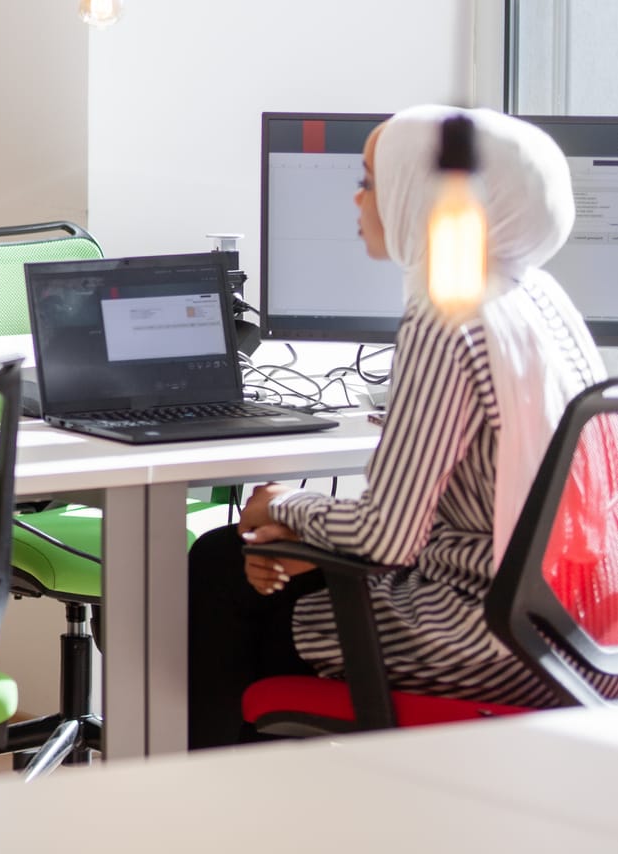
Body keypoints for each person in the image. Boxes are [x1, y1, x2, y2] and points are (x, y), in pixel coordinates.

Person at [187, 107, 612, 748]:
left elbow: (386, 536)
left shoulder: (448, 315)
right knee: (250, 559)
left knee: (221, 569)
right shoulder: (542, 300)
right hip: (580, 631)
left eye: (370, 180)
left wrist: (282, 505)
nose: (357, 198)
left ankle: (205, 798)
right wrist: (301, 533)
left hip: (489, 635)